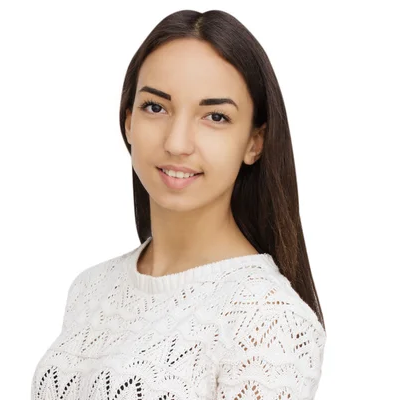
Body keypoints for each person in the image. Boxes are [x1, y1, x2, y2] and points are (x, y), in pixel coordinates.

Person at [31, 9, 326, 400]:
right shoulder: (91, 289)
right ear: (128, 121)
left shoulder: (268, 317)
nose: (177, 142)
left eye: (215, 116)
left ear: (255, 142)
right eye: (156, 107)